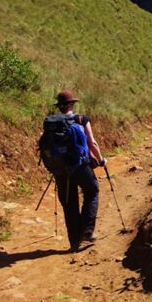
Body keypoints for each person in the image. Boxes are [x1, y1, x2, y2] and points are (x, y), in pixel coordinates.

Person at [53, 90, 107, 252]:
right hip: (80, 167)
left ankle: (74, 244)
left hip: (61, 170)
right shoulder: (81, 119)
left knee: (69, 205)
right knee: (92, 191)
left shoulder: (52, 123)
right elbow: (92, 142)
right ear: (72, 104)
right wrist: (101, 159)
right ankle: (87, 232)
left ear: (60, 106)